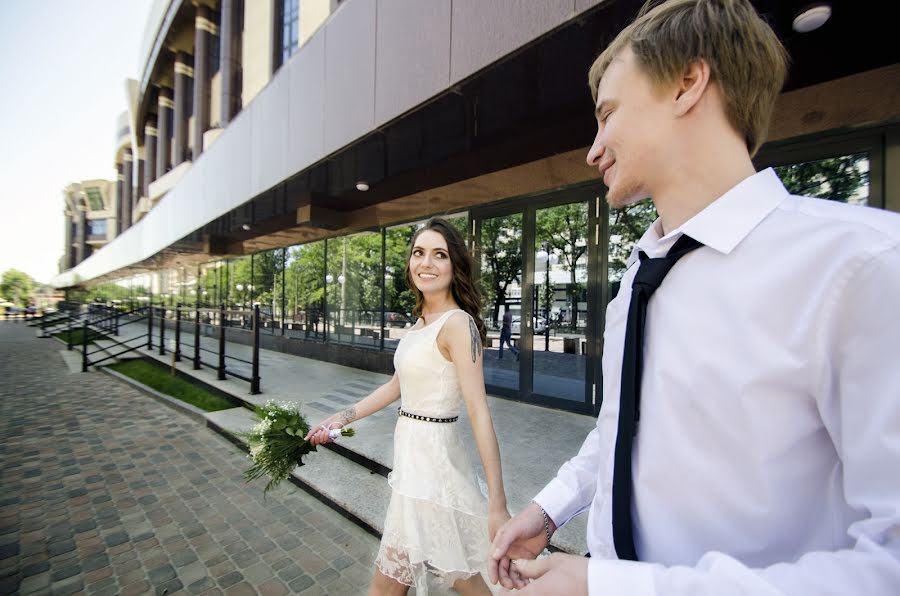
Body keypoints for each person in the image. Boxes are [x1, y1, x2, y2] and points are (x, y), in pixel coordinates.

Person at [488, 0, 900, 594]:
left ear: (687, 83)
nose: (593, 148)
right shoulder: (638, 277)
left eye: (608, 115)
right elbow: (624, 425)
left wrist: (609, 588)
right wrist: (550, 509)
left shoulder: (862, 267)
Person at [307, 218, 510, 595]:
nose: (426, 263)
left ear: (454, 266)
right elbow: (397, 386)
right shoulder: (420, 323)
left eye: (439, 255)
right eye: (419, 253)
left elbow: (479, 411)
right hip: (412, 462)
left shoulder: (457, 324)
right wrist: (342, 416)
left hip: (435, 466)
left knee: (438, 578)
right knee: (456, 575)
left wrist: (498, 503)